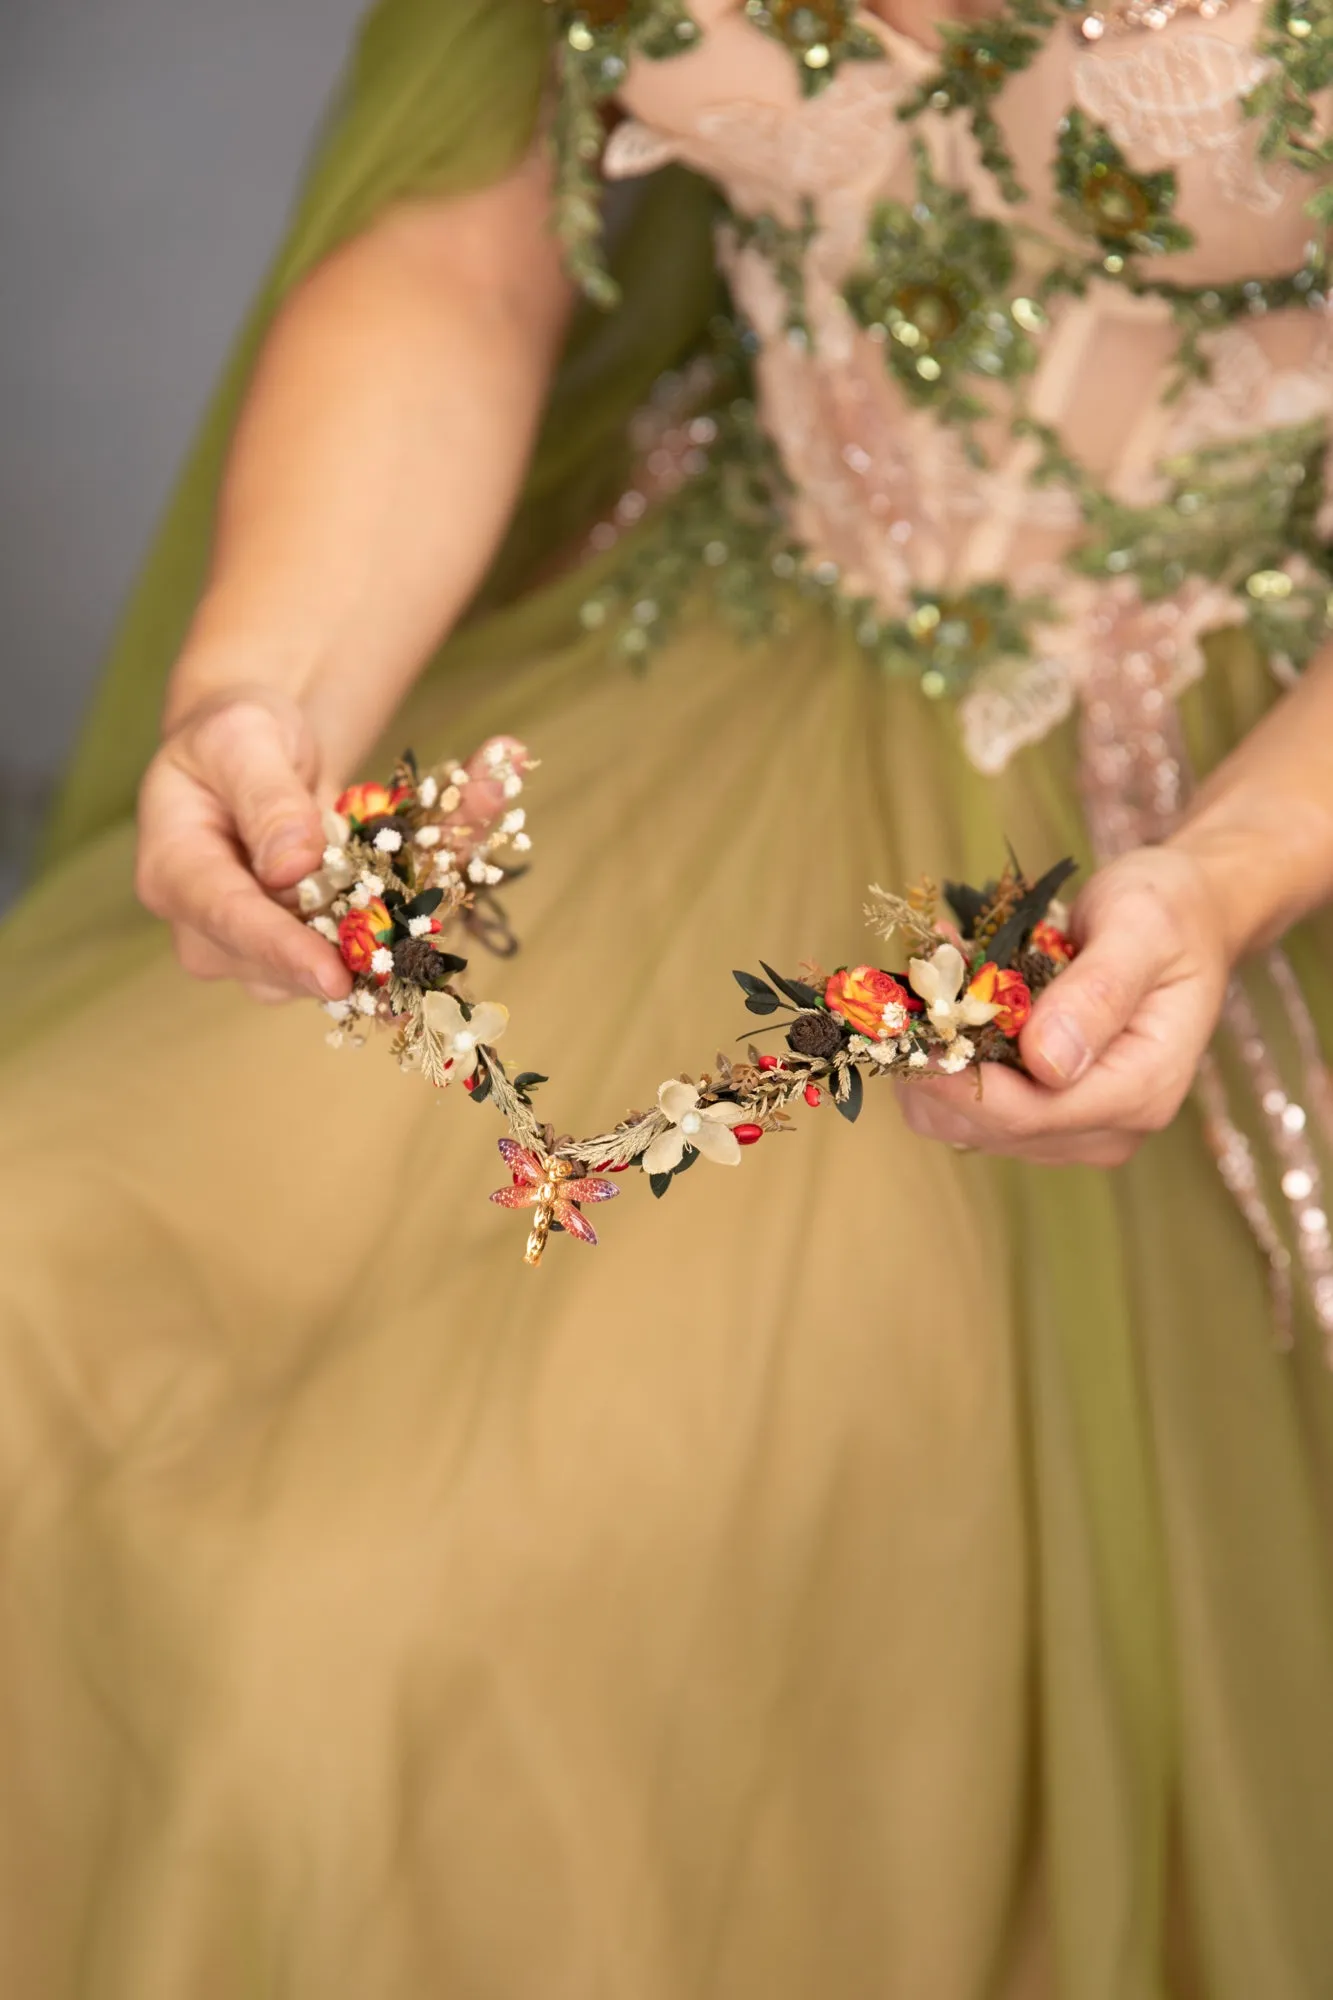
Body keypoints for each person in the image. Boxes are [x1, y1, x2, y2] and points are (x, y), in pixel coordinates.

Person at [4, 0, 1333, 1991]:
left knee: (382, 1651)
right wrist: (264, 689)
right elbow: (468, 240)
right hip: (669, 672)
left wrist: (1225, 879)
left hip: (1170, 836)